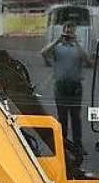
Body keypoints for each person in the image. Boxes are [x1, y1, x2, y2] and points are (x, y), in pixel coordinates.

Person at [40, 21, 93, 153]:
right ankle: (62, 144)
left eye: (71, 32)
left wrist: (77, 43)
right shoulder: (57, 48)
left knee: (76, 117)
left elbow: (88, 61)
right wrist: (58, 40)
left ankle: (78, 145)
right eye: (67, 31)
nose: (69, 34)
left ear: (74, 32)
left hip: (75, 87)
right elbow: (44, 53)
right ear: (63, 31)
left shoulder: (78, 47)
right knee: (62, 117)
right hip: (61, 86)